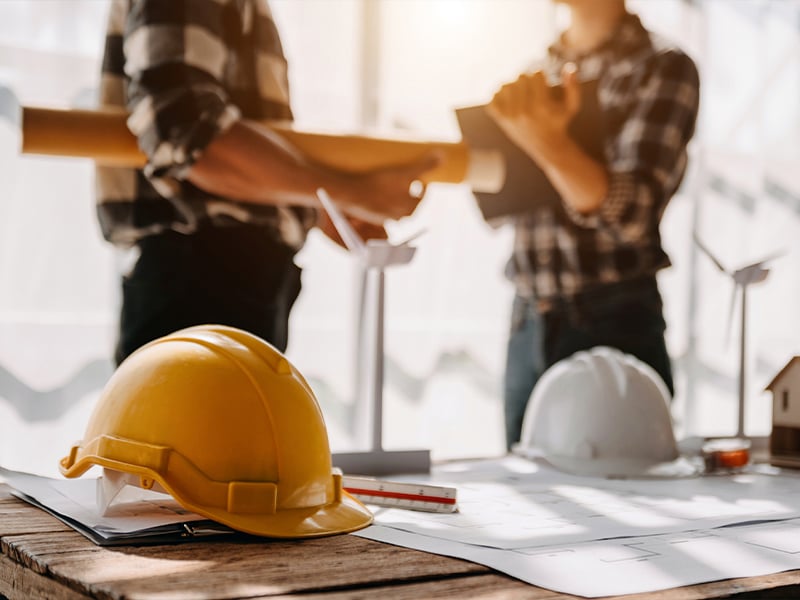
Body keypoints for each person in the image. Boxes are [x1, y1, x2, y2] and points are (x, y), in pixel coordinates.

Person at [97, 0, 437, 365]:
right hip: (199, 282)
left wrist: (322, 207)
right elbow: (188, 132)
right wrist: (349, 192)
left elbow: (199, 142)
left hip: (219, 280)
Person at [487, 0, 700, 449]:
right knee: (525, 496)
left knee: (632, 495)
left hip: (613, 318)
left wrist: (545, 141)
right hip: (527, 320)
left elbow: (633, 214)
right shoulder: (533, 74)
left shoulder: (662, 66)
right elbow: (503, 200)